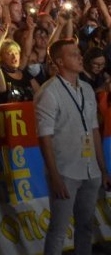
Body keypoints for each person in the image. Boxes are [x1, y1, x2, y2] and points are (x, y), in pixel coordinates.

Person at [35, 39, 111, 255]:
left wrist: (102, 169)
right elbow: (44, 137)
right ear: (59, 61)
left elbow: (94, 129)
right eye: (73, 54)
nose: (80, 57)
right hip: (66, 171)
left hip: (90, 170)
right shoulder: (48, 92)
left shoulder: (87, 89)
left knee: (85, 226)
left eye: (79, 52)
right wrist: (55, 175)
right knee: (59, 230)